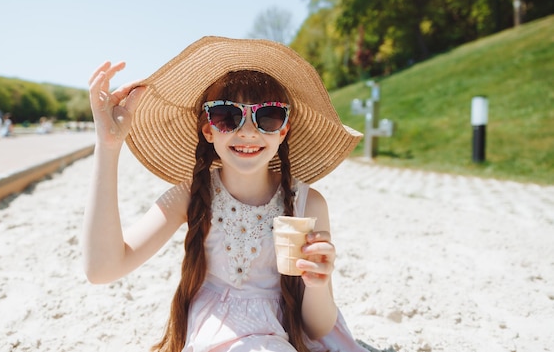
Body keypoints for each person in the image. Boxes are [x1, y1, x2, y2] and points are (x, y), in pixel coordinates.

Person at [84, 36, 376, 352]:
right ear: (208, 129)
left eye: (267, 116)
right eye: (227, 115)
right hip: (218, 334)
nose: (248, 131)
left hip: (288, 335)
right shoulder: (190, 195)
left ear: (283, 130)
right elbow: (103, 269)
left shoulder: (309, 203)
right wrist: (108, 146)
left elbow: (317, 329)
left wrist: (318, 284)